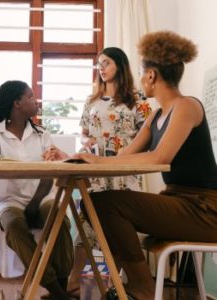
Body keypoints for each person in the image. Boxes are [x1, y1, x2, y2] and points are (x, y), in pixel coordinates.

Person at [72, 30, 217, 300]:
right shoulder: (157, 116)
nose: (140, 79)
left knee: (107, 204)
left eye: (142, 73)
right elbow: (125, 156)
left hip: (204, 209)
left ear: (151, 75)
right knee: (96, 203)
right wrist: (83, 159)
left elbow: (160, 158)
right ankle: (133, 285)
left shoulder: (186, 106)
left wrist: (98, 160)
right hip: (178, 201)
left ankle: (141, 288)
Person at [44, 47, 151, 298]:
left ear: (120, 66)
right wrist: (87, 140)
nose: (101, 68)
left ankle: (109, 285)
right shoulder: (91, 100)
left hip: (124, 171)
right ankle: (76, 285)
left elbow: (149, 135)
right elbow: (84, 131)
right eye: (99, 64)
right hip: (95, 171)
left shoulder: (138, 99)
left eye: (107, 63)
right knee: (87, 226)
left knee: (119, 229)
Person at [0, 80, 74, 300]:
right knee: (14, 225)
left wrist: (54, 160)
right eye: (31, 96)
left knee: (60, 218)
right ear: (17, 103)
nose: (36, 100)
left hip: (41, 198)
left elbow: (49, 173)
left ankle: (59, 286)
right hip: (9, 201)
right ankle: (57, 291)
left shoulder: (41, 133)